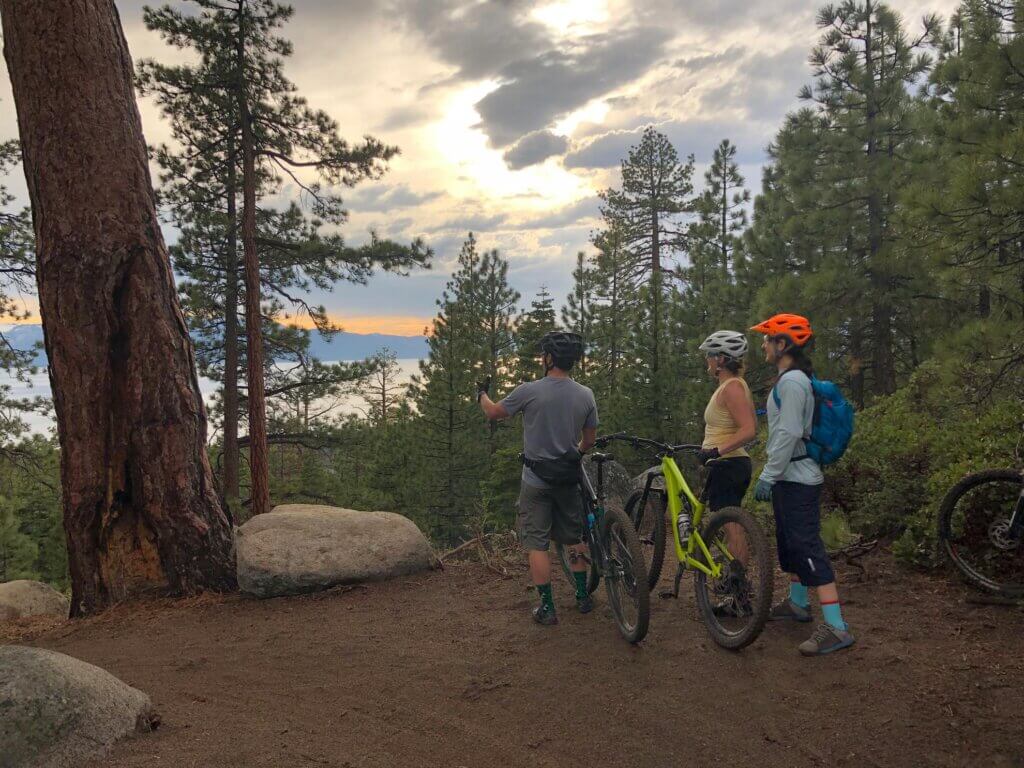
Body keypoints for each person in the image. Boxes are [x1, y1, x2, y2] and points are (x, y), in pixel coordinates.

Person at [750, 313, 854, 656]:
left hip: (796, 478)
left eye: (768, 340)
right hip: (789, 477)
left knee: (807, 547)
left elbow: (790, 433)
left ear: (783, 345)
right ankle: (797, 604)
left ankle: (837, 627)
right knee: (791, 544)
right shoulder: (790, 380)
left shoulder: (792, 382)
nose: (763, 345)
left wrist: (767, 474)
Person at [477, 331, 598, 626]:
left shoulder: (529, 390)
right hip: (569, 478)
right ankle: (582, 596)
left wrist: (481, 394)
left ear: (550, 358)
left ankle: (547, 608)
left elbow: (494, 413)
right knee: (575, 538)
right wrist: (574, 452)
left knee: (537, 544)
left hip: (536, 479)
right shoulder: (585, 394)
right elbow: (589, 440)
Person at [694, 331, 757, 615]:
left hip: (728, 464)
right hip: (729, 464)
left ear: (720, 359)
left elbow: (749, 430)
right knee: (730, 524)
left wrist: (717, 452)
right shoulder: (732, 386)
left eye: (709, 355)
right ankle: (736, 588)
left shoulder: (731, 387)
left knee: (732, 526)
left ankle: (739, 594)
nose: (706, 361)